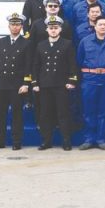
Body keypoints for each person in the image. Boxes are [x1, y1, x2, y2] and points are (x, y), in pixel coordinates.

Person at [31, 16, 78, 151]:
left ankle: (66, 141)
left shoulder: (67, 44)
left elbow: (72, 64)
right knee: (45, 114)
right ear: (46, 29)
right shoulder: (41, 45)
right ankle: (46, 141)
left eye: (56, 28)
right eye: (51, 28)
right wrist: (35, 83)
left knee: (63, 114)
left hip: (61, 85)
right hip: (44, 85)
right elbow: (36, 65)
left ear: (60, 29)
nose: (53, 30)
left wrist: (72, 80)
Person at [0, 13, 32, 150]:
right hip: (1, 84)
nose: (15, 27)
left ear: (21, 26)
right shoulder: (1, 41)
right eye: (13, 24)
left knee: (17, 115)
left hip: (17, 85)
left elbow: (28, 65)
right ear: (8, 26)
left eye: (18, 24)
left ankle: (16, 141)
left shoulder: (27, 43)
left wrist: (26, 84)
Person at [76, 16, 105, 150]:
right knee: (88, 110)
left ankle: (101, 139)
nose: (103, 27)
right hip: (89, 80)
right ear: (95, 26)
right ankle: (88, 139)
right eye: (100, 24)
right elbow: (79, 59)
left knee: (104, 110)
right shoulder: (85, 41)